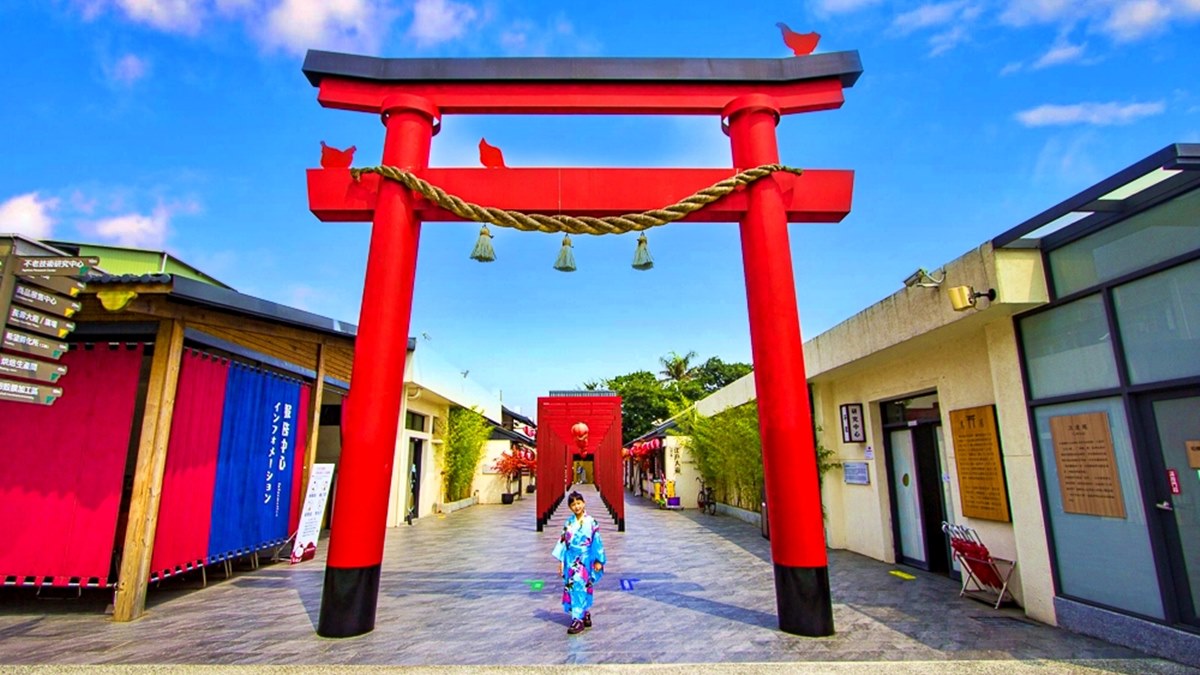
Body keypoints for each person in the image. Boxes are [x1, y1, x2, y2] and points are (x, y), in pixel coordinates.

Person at [551, 491, 606, 634]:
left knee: (579, 584)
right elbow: (563, 542)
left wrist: (599, 560)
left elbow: (597, 541)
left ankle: (578, 619)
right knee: (574, 586)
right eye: (573, 504)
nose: (576, 507)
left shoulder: (591, 522)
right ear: (570, 507)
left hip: (584, 559)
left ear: (584, 503)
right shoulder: (569, 523)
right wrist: (562, 561)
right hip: (570, 558)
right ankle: (584, 612)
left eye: (579, 503)